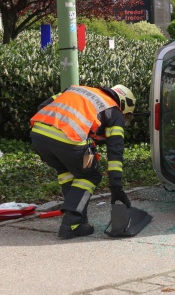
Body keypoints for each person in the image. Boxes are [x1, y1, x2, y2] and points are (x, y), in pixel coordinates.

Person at [30, 85, 136, 239]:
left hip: (38, 135)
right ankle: (71, 223)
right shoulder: (114, 110)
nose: (124, 119)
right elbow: (115, 152)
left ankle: (79, 220)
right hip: (69, 139)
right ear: (125, 103)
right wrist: (116, 187)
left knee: (67, 171)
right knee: (90, 175)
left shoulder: (77, 89)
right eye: (127, 116)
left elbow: (42, 107)